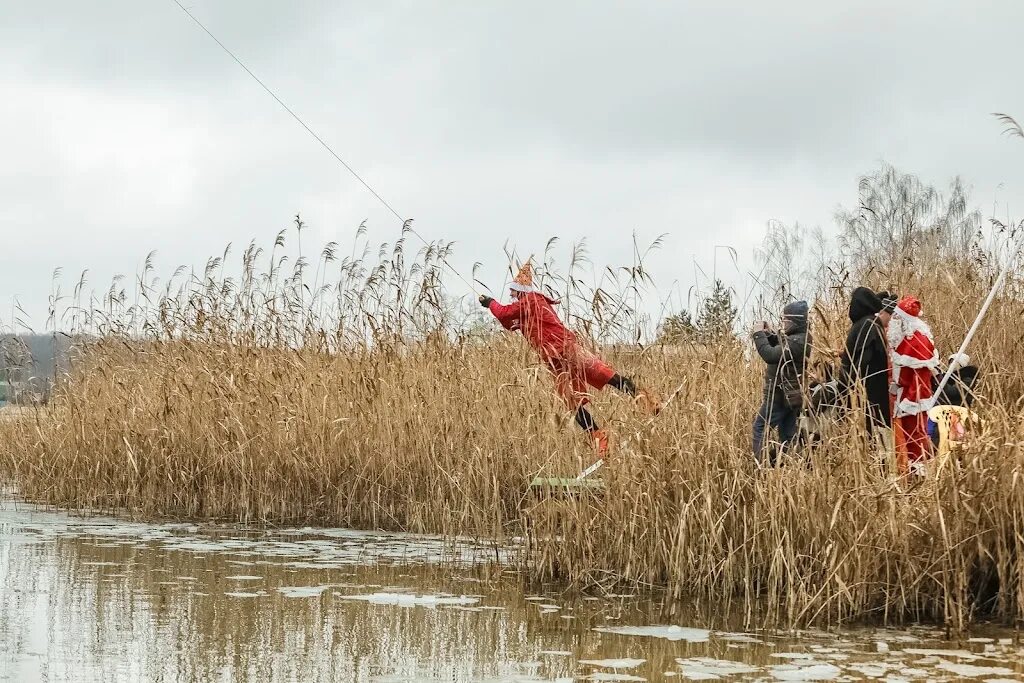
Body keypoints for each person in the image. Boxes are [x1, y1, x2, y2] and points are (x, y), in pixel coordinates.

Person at [480, 262, 660, 455]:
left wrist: (490, 302)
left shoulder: (532, 299)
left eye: (513, 291)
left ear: (521, 291)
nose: (511, 295)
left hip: (567, 349)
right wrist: (495, 309)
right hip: (554, 360)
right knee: (571, 402)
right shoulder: (523, 310)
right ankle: (599, 437)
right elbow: (507, 320)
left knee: (605, 374)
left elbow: (504, 312)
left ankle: (647, 402)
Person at [751, 301, 811, 465]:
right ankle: (785, 467)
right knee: (787, 435)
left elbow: (770, 354)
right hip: (789, 396)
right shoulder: (798, 338)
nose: (783, 322)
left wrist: (758, 334)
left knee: (759, 428)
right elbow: (781, 346)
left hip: (780, 395)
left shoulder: (799, 341)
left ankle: (761, 467)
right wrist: (769, 334)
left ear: (794, 321)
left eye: (785, 319)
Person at [888, 295, 939, 470]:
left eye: (896, 317)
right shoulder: (907, 338)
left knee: (915, 438)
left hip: (913, 400)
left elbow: (920, 378)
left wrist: (910, 401)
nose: (893, 320)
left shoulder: (917, 341)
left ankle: (918, 475)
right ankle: (912, 471)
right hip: (904, 395)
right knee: (909, 438)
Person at [839, 287, 892, 438]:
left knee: (866, 429)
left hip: (858, 388)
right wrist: (857, 383)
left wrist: (850, 385)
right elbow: (864, 358)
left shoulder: (859, 325)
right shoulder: (870, 323)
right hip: (871, 387)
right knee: (876, 427)